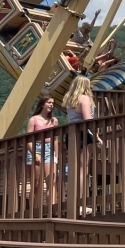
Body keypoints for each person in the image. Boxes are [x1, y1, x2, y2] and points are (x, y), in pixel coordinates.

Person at [62, 74, 100, 212]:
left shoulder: (70, 99)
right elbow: (88, 120)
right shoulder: (84, 98)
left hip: (71, 135)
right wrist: (96, 137)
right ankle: (81, 204)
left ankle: (73, 202)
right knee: (83, 169)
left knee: (75, 169)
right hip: (83, 135)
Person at [25, 96, 59, 214]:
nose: (51, 105)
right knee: (36, 184)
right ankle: (34, 212)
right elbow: (28, 140)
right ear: (42, 104)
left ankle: (52, 210)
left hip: (49, 150)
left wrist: (56, 156)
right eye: (49, 102)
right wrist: (34, 154)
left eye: (52, 103)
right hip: (36, 149)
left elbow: (55, 139)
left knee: (52, 182)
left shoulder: (54, 121)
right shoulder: (33, 120)